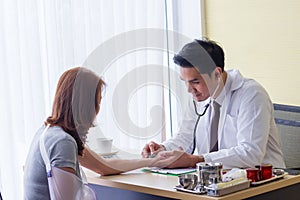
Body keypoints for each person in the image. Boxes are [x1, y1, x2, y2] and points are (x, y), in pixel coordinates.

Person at [24, 67, 175, 199]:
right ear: (87, 105)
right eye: (98, 101)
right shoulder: (62, 142)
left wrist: (153, 161)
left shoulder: (50, 132)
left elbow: (103, 167)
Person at [142, 39, 286, 169]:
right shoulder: (198, 96)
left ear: (217, 73)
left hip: (264, 183)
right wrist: (162, 150)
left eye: (195, 82)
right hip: (218, 180)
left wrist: (197, 160)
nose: (189, 89)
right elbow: (186, 137)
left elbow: (250, 153)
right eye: (185, 81)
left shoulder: (251, 95)